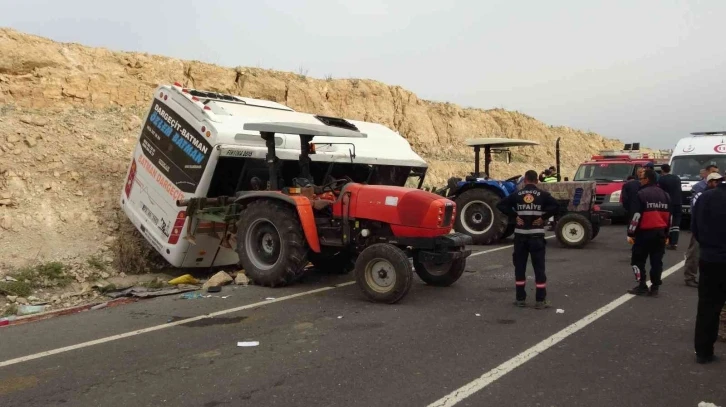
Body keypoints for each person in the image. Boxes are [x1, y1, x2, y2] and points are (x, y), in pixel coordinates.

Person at [497, 170, 560, 309]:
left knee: (520, 268)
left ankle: (520, 299)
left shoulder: (517, 195)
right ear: (537, 181)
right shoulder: (543, 195)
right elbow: (557, 206)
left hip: (520, 237)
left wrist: (514, 216)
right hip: (536, 237)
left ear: (525, 180)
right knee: (539, 269)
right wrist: (542, 218)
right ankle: (540, 300)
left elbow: (500, 205)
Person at [692, 172, 726, 364]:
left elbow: (695, 228)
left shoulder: (706, 196)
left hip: (710, 259)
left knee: (707, 307)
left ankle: (704, 352)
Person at [626, 169, 671, 297]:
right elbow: (669, 217)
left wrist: (631, 233)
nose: (640, 181)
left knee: (637, 261)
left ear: (647, 179)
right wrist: (667, 234)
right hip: (660, 234)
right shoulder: (666, 195)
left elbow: (636, 216)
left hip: (644, 234)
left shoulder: (641, 194)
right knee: (657, 262)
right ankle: (655, 287)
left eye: (641, 178)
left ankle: (642, 286)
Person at [683, 165, 720, 286]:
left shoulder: (718, 190)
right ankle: (689, 277)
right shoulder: (699, 188)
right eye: (714, 174)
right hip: (701, 226)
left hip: (714, 227)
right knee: (695, 252)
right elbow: (695, 208)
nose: (717, 182)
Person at [656, 164, 683, 250]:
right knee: (676, 223)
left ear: (662, 170)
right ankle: (674, 243)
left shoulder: (661, 179)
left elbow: (660, 192)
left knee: (665, 222)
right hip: (678, 202)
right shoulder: (677, 178)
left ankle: (664, 240)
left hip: (667, 202)